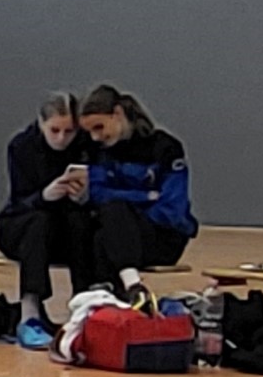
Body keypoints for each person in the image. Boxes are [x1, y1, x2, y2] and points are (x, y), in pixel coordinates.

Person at [74, 85, 196, 304]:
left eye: (99, 127)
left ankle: (121, 290)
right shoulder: (98, 150)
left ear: (118, 114)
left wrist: (130, 217)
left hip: (162, 237)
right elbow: (98, 193)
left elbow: (173, 209)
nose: (95, 137)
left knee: (113, 215)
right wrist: (144, 197)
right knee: (96, 227)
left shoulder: (165, 148)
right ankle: (110, 298)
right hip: (116, 232)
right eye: (89, 131)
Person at [0, 92, 88, 348]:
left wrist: (84, 195)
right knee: (38, 220)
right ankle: (30, 313)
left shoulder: (86, 145)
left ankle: (84, 305)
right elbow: (19, 201)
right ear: (41, 123)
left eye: (69, 132)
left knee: (80, 222)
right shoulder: (21, 146)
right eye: (54, 130)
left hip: (66, 230)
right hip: (23, 228)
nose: (61, 138)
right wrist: (44, 196)